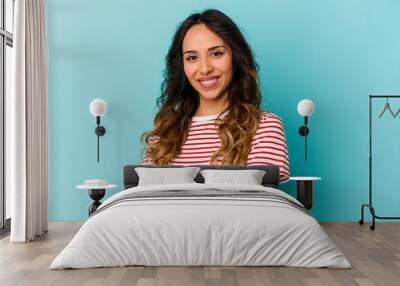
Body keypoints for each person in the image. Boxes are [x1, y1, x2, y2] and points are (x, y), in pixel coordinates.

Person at [142, 9, 290, 183]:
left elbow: (259, 204)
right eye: (191, 57)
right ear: (182, 66)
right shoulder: (162, 136)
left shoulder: (264, 128)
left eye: (216, 53)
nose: (205, 68)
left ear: (235, 57)